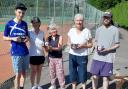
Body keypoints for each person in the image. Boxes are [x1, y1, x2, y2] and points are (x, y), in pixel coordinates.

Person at [90, 12, 120, 89]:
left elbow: (117, 44)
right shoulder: (98, 29)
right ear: (103, 18)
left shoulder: (115, 30)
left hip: (108, 59)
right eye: (105, 17)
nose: (106, 19)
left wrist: (108, 49)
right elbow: (95, 41)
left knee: (105, 78)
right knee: (94, 77)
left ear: (111, 18)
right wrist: (96, 46)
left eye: (108, 17)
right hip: (97, 57)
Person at [3, 3, 29, 89]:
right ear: (15, 12)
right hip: (16, 52)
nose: (21, 15)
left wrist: (27, 39)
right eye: (19, 12)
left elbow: (27, 36)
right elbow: (4, 37)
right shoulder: (9, 24)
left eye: (23, 13)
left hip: (25, 52)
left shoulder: (25, 24)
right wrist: (13, 39)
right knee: (17, 75)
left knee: (24, 73)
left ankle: (22, 87)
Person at [67, 13, 93, 89]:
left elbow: (91, 44)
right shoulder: (71, 30)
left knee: (82, 73)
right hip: (72, 55)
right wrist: (71, 45)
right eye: (77, 20)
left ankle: (84, 87)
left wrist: (83, 46)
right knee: (72, 72)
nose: (79, 22)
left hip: (83, 56)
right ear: (74, 21)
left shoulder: (87, 31)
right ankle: (74, 87)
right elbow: (68, 42)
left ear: (83, 21)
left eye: (80, 20)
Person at [45, 23, 65, 89]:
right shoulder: (48, 38)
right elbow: (47, 50)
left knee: (60, 73)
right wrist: (46, 47)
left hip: (58, 58)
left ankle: (62, 86)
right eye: (52, 29)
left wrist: (51, 48)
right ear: (50, 31)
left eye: (55, 29)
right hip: (50, 58)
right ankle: (53, 85)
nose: (54, 31)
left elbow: (59, 48)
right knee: (52, 73)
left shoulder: (60, 37)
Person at [29, 17, 45, 89]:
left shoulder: (42, 33)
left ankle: (38, 85)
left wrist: (45, 44)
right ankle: (33, 86)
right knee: (33, 71)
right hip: (32, 54)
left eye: (36, 22)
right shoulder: (29, 32)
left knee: (39, 70)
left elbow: (44, 42)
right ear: (32, 24)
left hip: (41, 54)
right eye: (33, 22)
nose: (35, 24)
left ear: (39, 23)